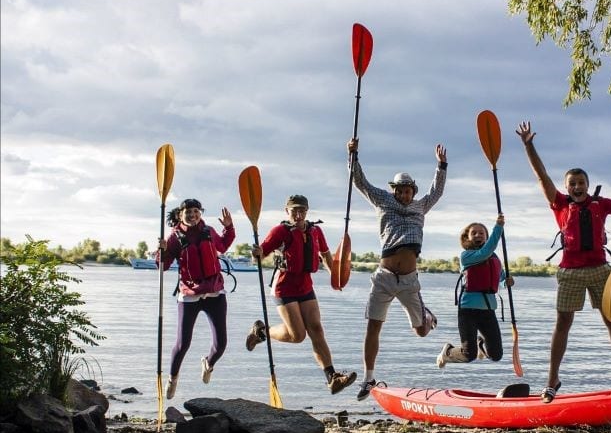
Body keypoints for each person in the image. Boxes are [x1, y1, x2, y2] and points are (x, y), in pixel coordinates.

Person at [515, 119, 611, 402]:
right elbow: (542, 176)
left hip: (600, 270)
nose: (576, 186)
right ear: (567, 187)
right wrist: (529, 146)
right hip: (570, 272)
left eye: (580, 182)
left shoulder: (602, 204)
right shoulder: (560, 203)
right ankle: (553, 379)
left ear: (587, 184)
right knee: (563, 324)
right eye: (572, 183)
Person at [347, 137, 447, 401]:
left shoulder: (420, 205)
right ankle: (369, 378)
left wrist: (442, 166)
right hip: (384, 278)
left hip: (410, 281)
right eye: (400, 190)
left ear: (413, 191)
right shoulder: (382, 199)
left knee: (421, 332)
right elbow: (360, 183)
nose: (404, 194)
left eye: (408, 190)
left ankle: (425, 314)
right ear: (394, 190)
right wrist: (353, 156)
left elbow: (436, 192)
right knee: (373, 326)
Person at [246, 194, 357, 395]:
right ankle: (261, 332)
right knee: (297, 336)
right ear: (286, 211)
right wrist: (256, 253)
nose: (298, 214)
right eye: (294, 210)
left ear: (307, 211)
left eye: (302, 210)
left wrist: (336, 277)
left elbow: (325, 255)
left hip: (305, 286)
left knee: (316, 329)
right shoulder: (280, 231)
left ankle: (332, 377)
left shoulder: (315, 231)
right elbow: (262, 254)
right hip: (284, 287)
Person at [157, 198, 235, 400]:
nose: (192, 215)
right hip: (189, 296)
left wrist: (228, 228)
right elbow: (162, 266)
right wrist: (162, 251)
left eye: (195, 211)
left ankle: (208, 364)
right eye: (187, 212)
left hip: (215, 294)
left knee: (221, 345)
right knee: (183, 344)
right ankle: (173, 378)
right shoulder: (174, 237)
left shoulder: (208, 231)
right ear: (179, 215)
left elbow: (224, 245)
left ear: (200, 212)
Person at [436, 214, 514, 368]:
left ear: (486, 237)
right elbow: (485, 252)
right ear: (467, 237)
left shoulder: (494, 257)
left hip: (488, 310)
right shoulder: (467, 256)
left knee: (496, 355)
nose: (478, 235)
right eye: (474, 233)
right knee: (468, 355)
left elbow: (501, 277)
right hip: (468, 311)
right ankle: (448, 352)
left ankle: (480, 345)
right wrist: (498, 227)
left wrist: (506, 282)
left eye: (481, 233)